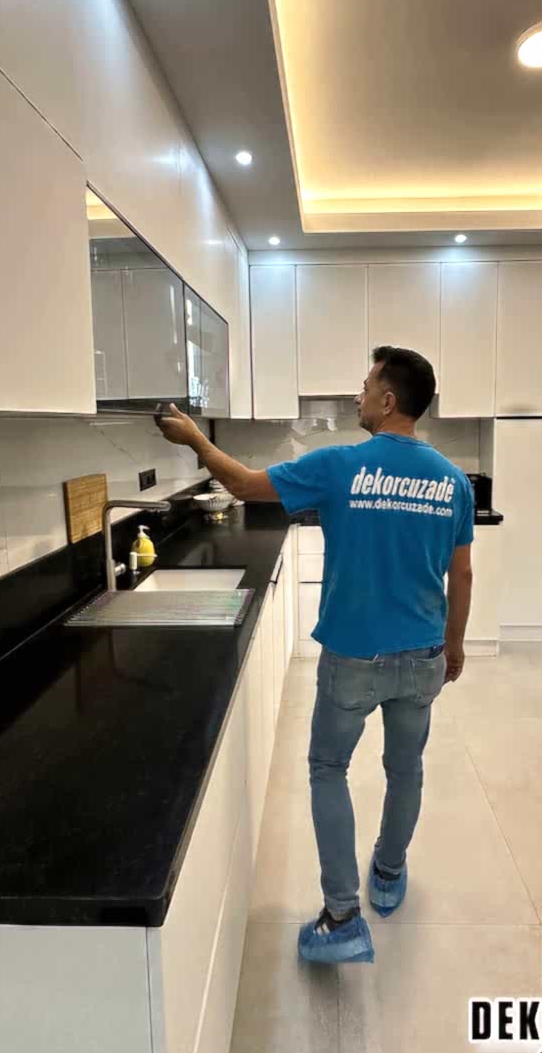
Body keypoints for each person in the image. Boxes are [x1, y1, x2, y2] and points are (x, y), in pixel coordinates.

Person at [156, 346, 474, 966]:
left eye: (365, 387)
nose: (357, 397)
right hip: (424, 653)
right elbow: (461, 575)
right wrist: (455, 645)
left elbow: (244, 485)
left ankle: (342, 918)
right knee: (405, 768)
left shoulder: (339, 465)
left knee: (329, 768)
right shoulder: (452, 481)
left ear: (388, 400)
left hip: (353, 655)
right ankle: (388, 875)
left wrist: (195, 438)